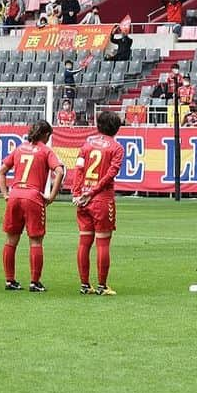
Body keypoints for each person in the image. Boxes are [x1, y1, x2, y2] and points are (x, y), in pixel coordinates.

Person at [0, 121, 65, 293]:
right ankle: (35, 282)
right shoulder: (46, 151)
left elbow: (1, 171)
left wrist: (5, 193)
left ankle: (9, 280)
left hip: (15, 195)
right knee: (35, 241)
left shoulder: (19, 148)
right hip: (33, 197)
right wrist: (52, 196)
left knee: (11, 240)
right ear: (46, 135)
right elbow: (60, 171)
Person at [70, 111, 124, 295]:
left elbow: (78, 169)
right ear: (116, 128)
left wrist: (77, 193)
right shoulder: (116, 148)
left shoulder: (86, 145)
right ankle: (102, 286)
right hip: (101, 199)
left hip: (83, 198)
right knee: (103, 243)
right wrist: (93, 192)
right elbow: (110, 174)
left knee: (84, 242)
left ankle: (85, 285)